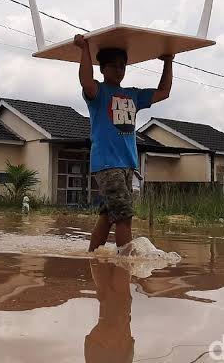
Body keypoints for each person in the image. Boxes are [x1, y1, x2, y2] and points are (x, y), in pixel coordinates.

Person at [74, 34, 173, 252]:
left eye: (123, 66)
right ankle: (125, 265)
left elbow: (164, 92)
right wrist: (84, 49)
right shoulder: (99, 93)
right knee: (124, 216)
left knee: (108, 215)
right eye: (114, 66)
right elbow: (86, 82)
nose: (119, 70)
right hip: (107, 164)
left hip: (127, 164)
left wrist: (168, 62)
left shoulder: (133, 95)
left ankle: (93, 258)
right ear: (102, 68)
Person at [84, 261, 134, 363]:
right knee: (106, 292)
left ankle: (120, 252)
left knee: (118, 301)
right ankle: (112, 253)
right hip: (100, 344)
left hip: (109, 344)